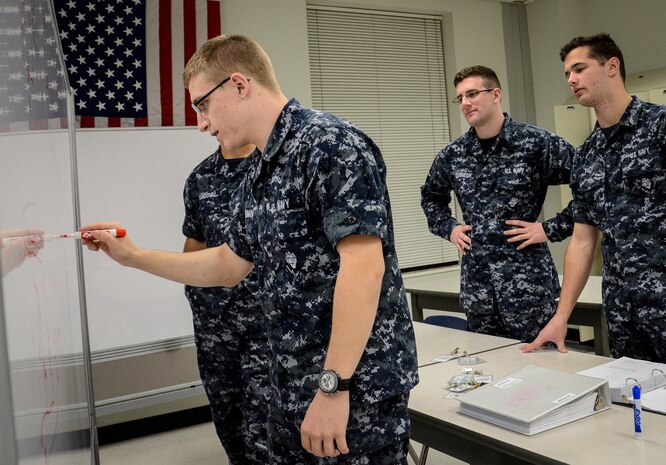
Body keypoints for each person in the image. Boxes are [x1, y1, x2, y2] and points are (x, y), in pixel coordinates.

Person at [81, 34, 418, 464]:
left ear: (239, 85)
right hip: (292, 384)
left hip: (353, 393)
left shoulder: (330, 144)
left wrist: (333, 389)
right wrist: (132, 255)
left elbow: (364, 269)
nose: (201, 123)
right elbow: (227, 264)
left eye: (202, 104)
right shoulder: (262, 167)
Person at [522, 33, 666, 362]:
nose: (571, 79)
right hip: (622, 312)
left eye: (579, 69)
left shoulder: (659, 127)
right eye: (567, 74)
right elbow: (583, 240)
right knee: (635, 404)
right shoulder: (587, 154)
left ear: (611, 66)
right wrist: (561, 317)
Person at [421, 65, 575, 343]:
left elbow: (593, 186)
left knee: (541, 372)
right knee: (491, 372)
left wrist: (550, 229)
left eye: (472, 94)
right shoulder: (453, 155)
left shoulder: (536, 143)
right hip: (479, 291)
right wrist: (450, 228)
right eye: (460, 98)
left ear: (495, 94)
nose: (465, 103)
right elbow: (431, 197)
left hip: (527, 287)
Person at [181, 141, 270, 464]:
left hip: (267, 326)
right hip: (216, 326)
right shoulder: (200, 178)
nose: (203, 123)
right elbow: (194, 244)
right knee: (227, 419)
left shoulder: (272, 168)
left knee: (263, 429)